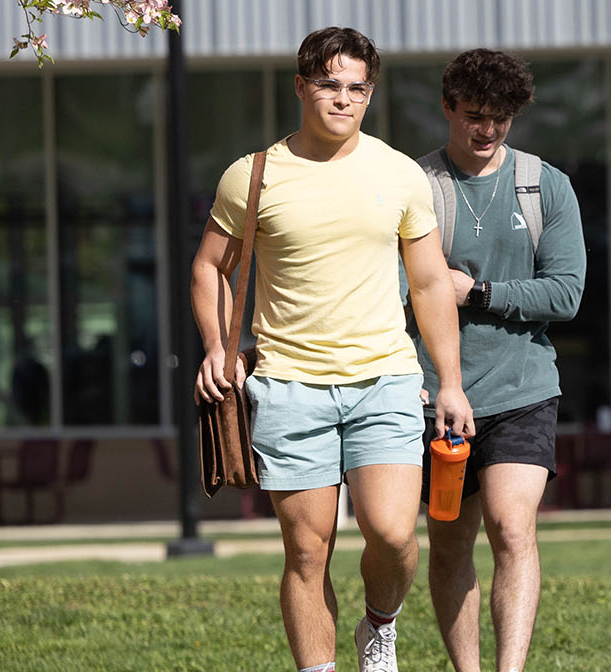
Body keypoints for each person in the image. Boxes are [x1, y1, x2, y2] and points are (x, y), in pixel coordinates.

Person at [190, 26, 476, 672]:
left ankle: (379, 625)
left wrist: (450, 382)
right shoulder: (253, 175)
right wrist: (217, 345)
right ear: (301, 86)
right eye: (329, 85)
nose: (342, 99)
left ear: (369, 94)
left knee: (395, 533)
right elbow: (210, 266)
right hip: (289, 385)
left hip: (385, 380)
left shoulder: (400, 174)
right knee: (306, 549)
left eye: (356, 89)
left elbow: (430, 283)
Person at [411, 48, 587, 672]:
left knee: (513, 529)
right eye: (475, 115)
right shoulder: (417, 186)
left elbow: (566, 293)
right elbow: (391, 292)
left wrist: (479, 292)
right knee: (450, 541)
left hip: (523, 386)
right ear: (448, 108)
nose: (487, 129)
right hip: (436, 396)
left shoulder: (545, 185)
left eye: (501, 118)